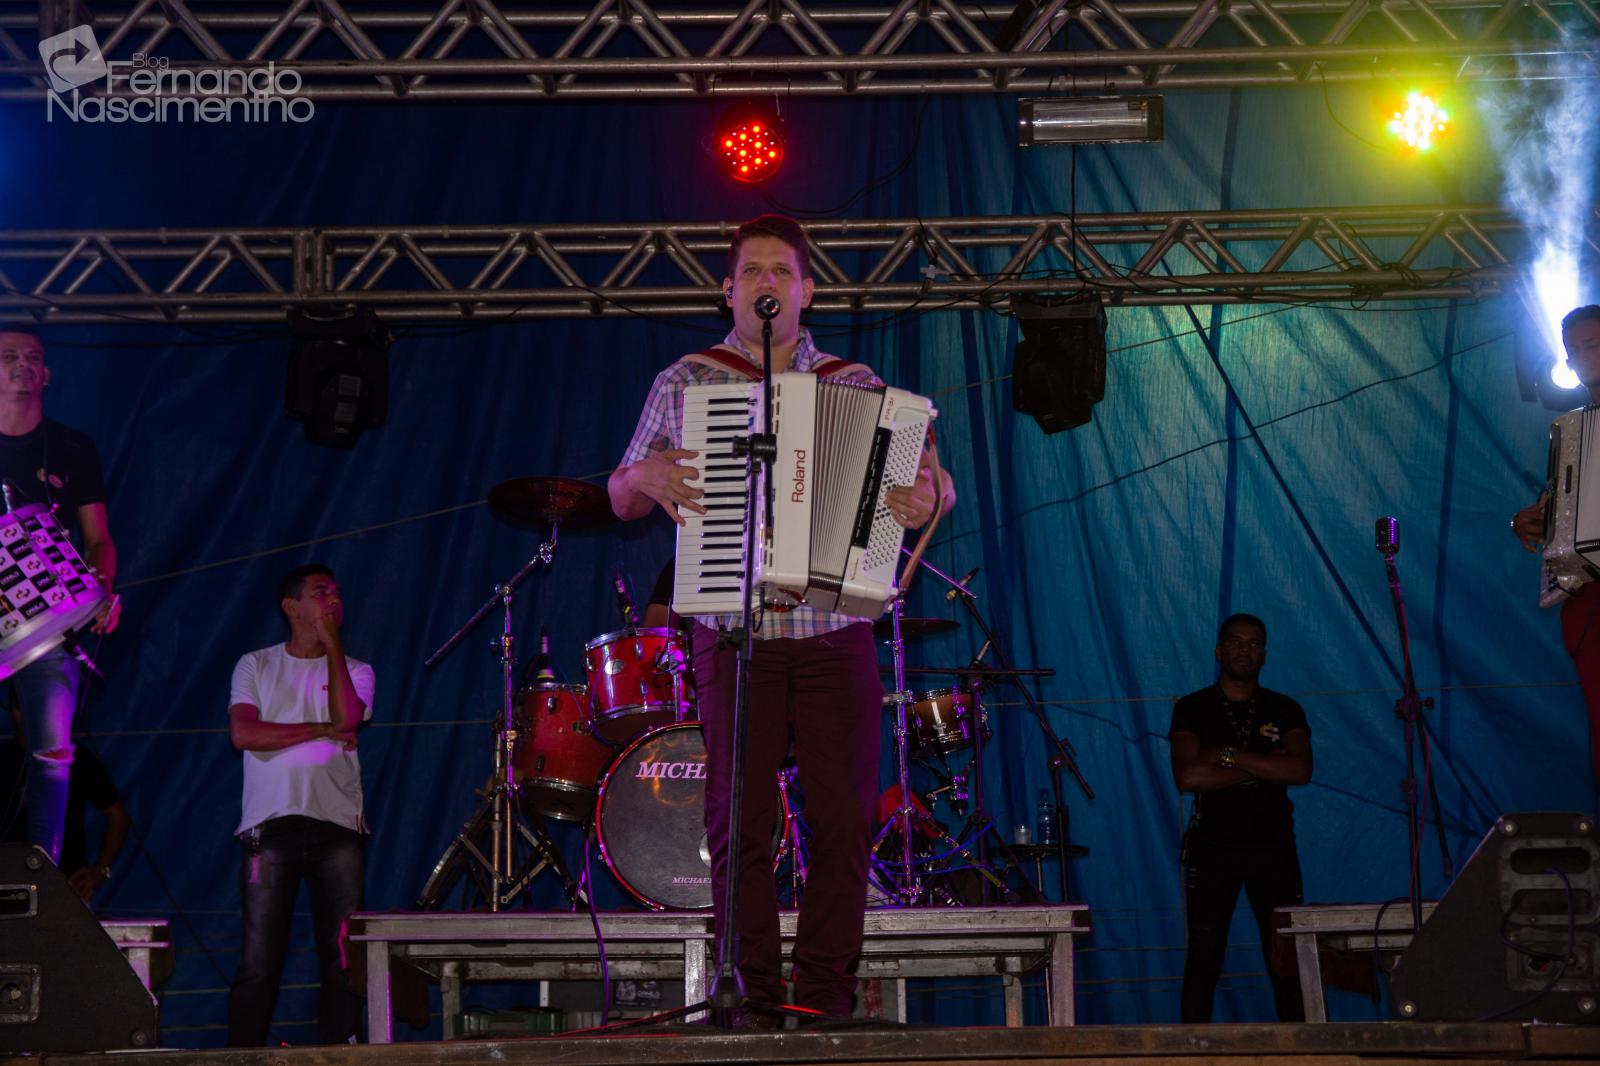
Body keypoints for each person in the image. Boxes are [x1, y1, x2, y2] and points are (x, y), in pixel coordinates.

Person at [607, 214, 955, 1022]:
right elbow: (621, 493)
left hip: (835, 631)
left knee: (842, 821)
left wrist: (925, 494)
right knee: (740, 825)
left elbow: (933, 487)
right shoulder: (687, 381)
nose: (767, 283)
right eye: (752, 271)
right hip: (735, 631)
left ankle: (827, 1000)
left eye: (781, 272)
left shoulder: (857, 385)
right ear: (728, 290)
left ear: (807, 290)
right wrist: (645, 475)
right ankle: (754, 1000)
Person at [226, 564, 374, 1047]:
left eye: (337, 592)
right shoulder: (256, 664)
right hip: (268, 829)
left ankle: (337, 1054)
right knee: (259, 959)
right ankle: (242, 1058)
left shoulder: (356, 670)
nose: (334, 599)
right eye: (320, 592)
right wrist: (319, 730)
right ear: (291, 607)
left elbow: (348, 716)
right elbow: (245, 733)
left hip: (337, 828)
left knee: (342, 958)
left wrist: (332, 645)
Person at [0, 327, 120, 869]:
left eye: (32, 357)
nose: (21, 365)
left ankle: (43, 876)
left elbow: (97, 538)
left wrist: (100, 594)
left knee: (52, 752)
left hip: (45, 620)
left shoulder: (72, 446)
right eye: (7, 357)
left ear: (46, 373)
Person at [1169, 612, 1311, 1023]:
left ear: (1264, 654)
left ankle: (1301, 1054)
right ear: (1218, 650)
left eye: (1253, 643)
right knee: (1203, 960)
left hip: (1274, 848)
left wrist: (1227, 757)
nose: (1243, 650)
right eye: (1235, 641)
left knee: (1286, 960)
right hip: (1213, 847)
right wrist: (1266, 763)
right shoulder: (1193, 708)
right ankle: (1192, 1054)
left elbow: (1301, 770)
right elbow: (1188, 775)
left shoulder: (1285, 708)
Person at [1512, 305, 1600, 788]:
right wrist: (1524, 522)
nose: (1583, 357)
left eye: (1593, 344)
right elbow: (1558, 512)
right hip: (1589, 596)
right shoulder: (1570, 429)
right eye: (1574, 350)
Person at [1, 693, 131, 903]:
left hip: (65, 885)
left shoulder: (77, 759)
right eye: (19, 707)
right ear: (10, 709)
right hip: (9, 886)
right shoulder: (4, 757)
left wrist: (100, 869)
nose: (27, 714)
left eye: (34, 705)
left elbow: (118, 816)